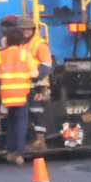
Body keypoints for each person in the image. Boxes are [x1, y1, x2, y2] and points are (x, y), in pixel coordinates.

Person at [0, 18, 37, 164]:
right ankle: (20, 154)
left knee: (10, 122)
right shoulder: (25, 54)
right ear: (21, 41)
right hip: (22, 94)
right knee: (22, 122)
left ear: (8, 41)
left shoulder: (0, 55)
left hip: (6, 95)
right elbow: (34, 74)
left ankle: (10, 152)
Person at [26, 25, 55, 154]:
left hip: (38, 85)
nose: (24, 31)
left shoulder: (39, 44)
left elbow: (46, 65)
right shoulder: (23, 44)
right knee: (31, 112)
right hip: (27, 85)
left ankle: (40, 141)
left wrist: (36, 80)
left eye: (26, 29)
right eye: (22, 29)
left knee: (37, 111)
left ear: (33, 30)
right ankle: (36, 140)